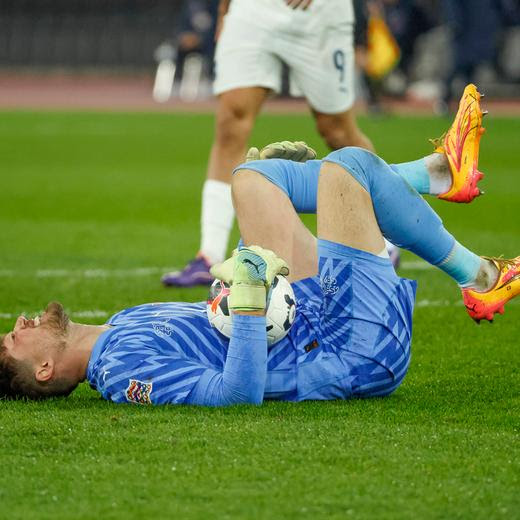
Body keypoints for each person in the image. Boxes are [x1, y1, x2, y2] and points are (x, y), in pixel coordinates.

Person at [1, 85, 518, 406]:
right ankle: (477, 274)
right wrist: (249, 295)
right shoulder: (121, 372)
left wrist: (248, 284)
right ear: (43, 371)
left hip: (307, 314)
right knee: (347, 166)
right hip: (350, 351)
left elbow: (225, 320)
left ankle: (439, 176)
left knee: (251, 178)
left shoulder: (122, 324)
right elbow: (236, 392)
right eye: (12, 340)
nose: (19, 323)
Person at [161, 0, 380, 288]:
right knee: (231, 121)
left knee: (337, 130)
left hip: (319, 14)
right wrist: (225, 8)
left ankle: (384, 238)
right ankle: (209, 256)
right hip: (254, 10)